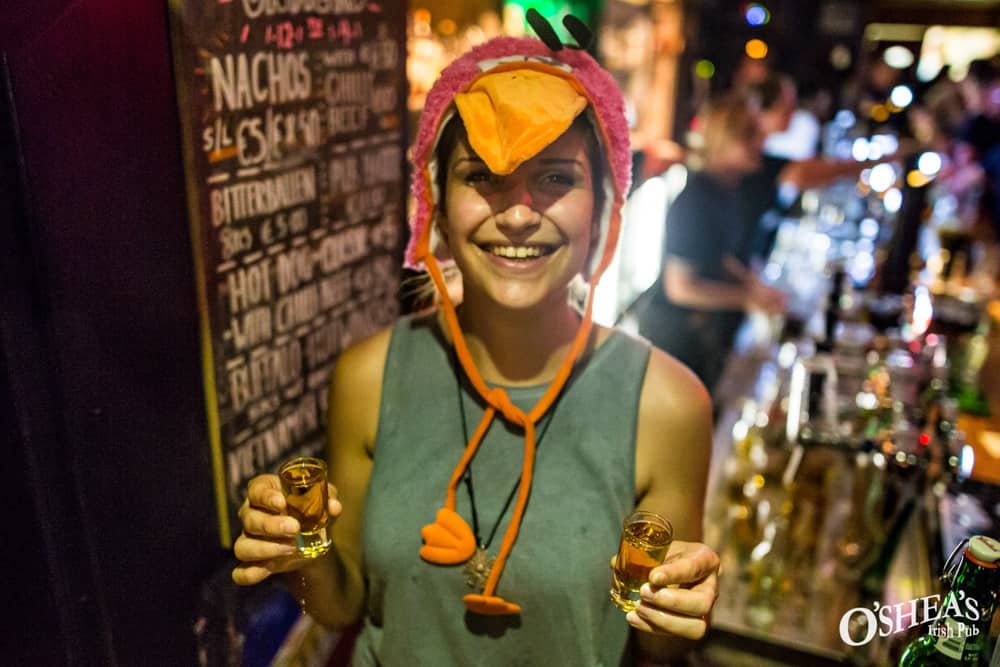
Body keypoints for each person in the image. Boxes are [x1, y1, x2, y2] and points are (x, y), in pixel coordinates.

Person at [232, 26, 720, 667]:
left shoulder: (667, 405)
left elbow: (653, 644)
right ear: (434, 202)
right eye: (482, 175)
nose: (518, 214)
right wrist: (305, 554)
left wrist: (678, 605)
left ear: (602, 207)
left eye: (554, 177)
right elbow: (344, 605)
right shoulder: (369, 376)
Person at [631, 95, 787, 396]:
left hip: (699, 332)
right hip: (675, 339)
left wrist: (753, 285)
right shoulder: (695, 200)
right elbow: (680, 287)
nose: (760, 143)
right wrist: (747, 298)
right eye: (749, 135)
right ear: (722, 140)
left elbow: (720, 253)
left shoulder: (725, 189)